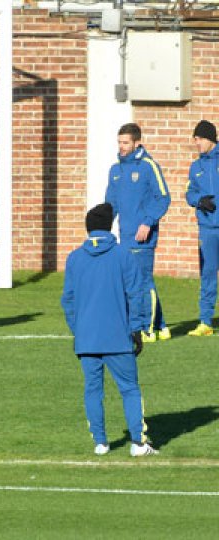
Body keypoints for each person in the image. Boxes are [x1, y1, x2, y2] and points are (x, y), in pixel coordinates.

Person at [61, 203, 158, 457]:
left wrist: (78, 330)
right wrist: (137, 330)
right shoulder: (123, 255)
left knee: (93, 390)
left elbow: (68, 301)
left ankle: (101, 443)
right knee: (129, 388)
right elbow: (135, 295)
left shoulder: (74, 258)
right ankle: (138, 443)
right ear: (108, 226)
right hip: (118, 338)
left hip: (87, 339)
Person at [105, 123, 171, 342]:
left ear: (136, 143)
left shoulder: (148, 166)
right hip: (124, 237)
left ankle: (147, 328)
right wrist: (101, 231)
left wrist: (147, 223)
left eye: (125, 143)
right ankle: (161, 326)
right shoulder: (115, 170)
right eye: (119, 142)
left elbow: (163, 197)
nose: (122, 147)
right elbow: (110, 204)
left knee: (142, 282)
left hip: (143, 236)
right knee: (131, 283)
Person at [185, 120, 219, 337]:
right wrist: (199, 200)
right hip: (207, 228)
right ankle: (205, 322)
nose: (196, 143)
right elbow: (189, 193)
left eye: (198, 139)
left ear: (209, 138)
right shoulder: (195, 167)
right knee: (208, 274)